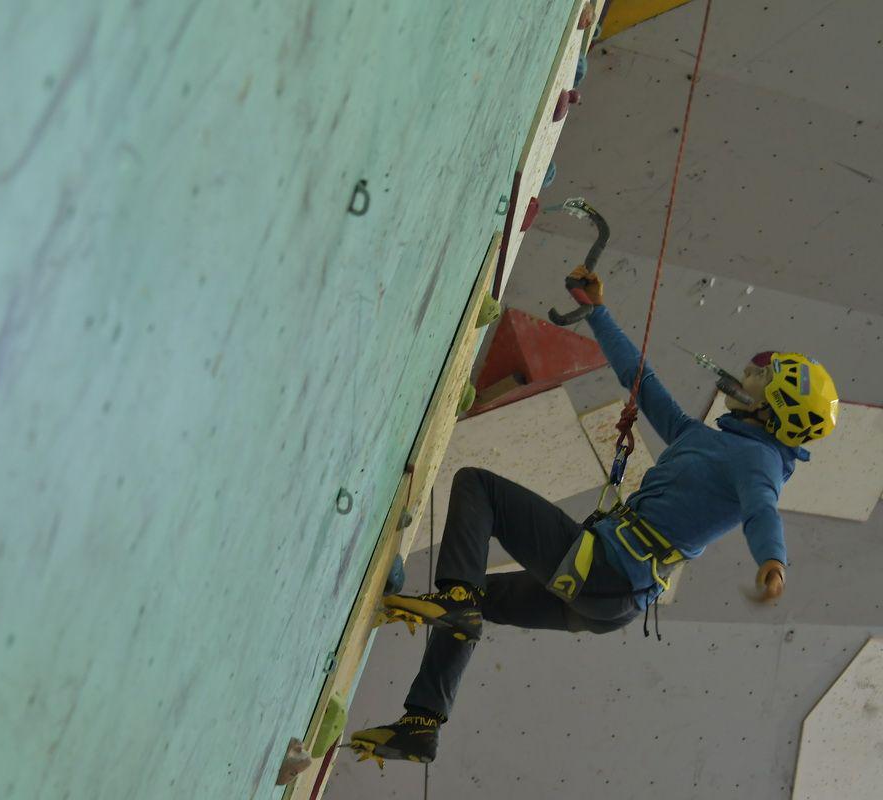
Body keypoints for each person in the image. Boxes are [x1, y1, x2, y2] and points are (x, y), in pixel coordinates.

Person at [348, 266, 839, 766]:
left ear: (773, 408)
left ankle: (455, 599)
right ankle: (422, 724)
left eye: (759, 378)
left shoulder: (758, 461)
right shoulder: (706, 440)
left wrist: (773, 561)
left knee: (477, 489)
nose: (745, 376)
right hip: (609, 600)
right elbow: (641, 381)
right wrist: (597, 313)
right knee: (482, 599)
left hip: (604, 569)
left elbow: (762, 509)